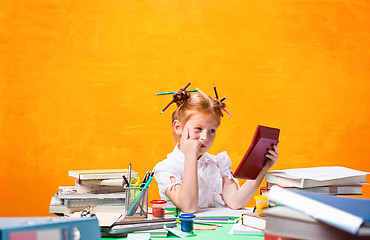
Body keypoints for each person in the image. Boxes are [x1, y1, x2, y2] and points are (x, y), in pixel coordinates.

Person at [153, 86, 279, 213]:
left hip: (220, 230)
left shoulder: (218, 163)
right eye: (198, 129)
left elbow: (235, 201)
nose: (205, 137)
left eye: (212, 130)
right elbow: (188, 206)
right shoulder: (165, 168)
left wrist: (262, 168)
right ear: (178, 127)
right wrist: (191, 155)